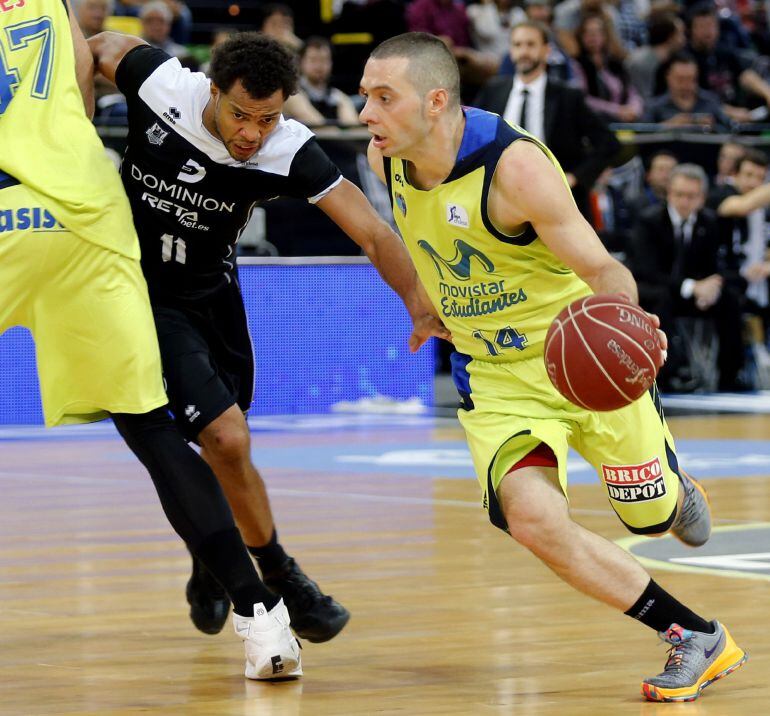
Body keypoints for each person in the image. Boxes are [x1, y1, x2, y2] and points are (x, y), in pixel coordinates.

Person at [359, 31, 747, 702]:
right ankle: (694, 635)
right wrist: (421, 299)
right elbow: (408, 234)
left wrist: (626, 327)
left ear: (436, 101)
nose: (366, 113)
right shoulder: (385, 156)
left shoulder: (515, 168)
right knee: (530, 518)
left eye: (383, 98)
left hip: (580, 361)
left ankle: (672, 488)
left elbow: (601, 266)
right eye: (366, 96)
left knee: (655, 521)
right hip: (501, 378)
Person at [87, 29, 449, 646]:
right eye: (239, 115)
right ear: (212, 90)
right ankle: (281, 576)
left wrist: (418, 304)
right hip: (141, 295)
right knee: (225, 434)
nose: (252, 133)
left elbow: (374, 234)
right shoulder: (161, 83)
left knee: (230, 451)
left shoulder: (286, 147)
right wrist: (75, 117)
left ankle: (212, 562)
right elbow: (95, 44)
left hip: (215, 298)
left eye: (267, 117)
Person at [1, 0, 307, 682]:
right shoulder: (53, 10)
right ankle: (261, 619)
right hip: (88, 214)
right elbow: (88, 68)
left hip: (6, 211)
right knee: (150, 425)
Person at [474, 21, 620, 221]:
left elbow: (609, 143)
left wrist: (576, 177)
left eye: (530, 44)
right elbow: (471, 134)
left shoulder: (568, 96)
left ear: (546, 50)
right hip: (502, 198)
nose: (523, 51)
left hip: (555, 200)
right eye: (517, 45)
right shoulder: (494, 90)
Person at [631, 164, 745, 392]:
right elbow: (646, 270)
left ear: (702, 198)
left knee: (730, 300)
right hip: (655, 287)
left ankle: (730, 376)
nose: (685, 201)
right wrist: (692, 287)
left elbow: (713, 266)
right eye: (679, 195)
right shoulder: (649, 221)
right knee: (662, 299)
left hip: (692, 291)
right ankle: (670, 374)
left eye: (691, 196)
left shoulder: (709, 222)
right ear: (669, 194)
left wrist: (711, 288)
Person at [643, 52, 732, 131]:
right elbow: (641, 136)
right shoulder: (655, 106)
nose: (686, 85)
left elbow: (730, 128)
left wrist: (713, 127)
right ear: (668, 77)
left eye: (691, 79)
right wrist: (668, 126)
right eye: (680, 80)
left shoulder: (710, 101)